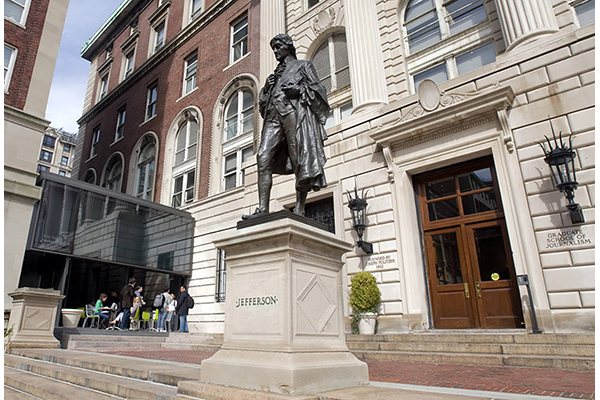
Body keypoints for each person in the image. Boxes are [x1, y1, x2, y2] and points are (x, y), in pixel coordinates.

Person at [243, 33, 330, 219]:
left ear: (288, 46)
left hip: (293, 114)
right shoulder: (273, 75)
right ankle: (262, 208)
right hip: (273, 117)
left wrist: (298, 90)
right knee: (262, 156)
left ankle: (300, 207)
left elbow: (319, 90)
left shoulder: (303, 66)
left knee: (298, 156)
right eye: (273, 48)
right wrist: (266, 89)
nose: (275, 51)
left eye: (278, 47)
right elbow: (263, 105)